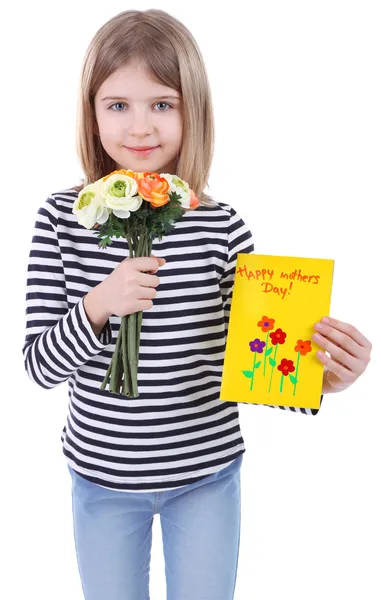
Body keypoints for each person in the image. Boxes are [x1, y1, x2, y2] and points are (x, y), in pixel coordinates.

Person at [22, 8, 372, 600]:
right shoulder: (63, 218)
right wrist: (99, 303)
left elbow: (253, 362)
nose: (139, 128)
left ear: (194, 111)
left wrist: (319, 379)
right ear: (91, 112)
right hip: (101, 479)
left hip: (206, 475)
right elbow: (38, 366)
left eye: (162, 104)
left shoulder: (221, 227)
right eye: (117, 105)